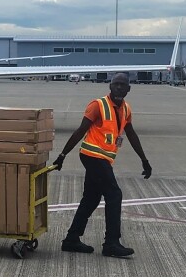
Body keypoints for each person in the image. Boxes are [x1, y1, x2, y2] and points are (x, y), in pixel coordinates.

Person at [52, 72, 152, 258]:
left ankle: (71, 239)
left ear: (129, 88)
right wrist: (62, 155)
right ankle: (111, 243)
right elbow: (80, 130)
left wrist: (144, 160)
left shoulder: (126, 109)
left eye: (123, 85)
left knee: (91, 198)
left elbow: (131, 134)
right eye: (116, 84)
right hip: (92, 155)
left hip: (103, 159)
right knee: (114, 194)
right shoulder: (97, 105)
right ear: (110, 86)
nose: (119, 87)